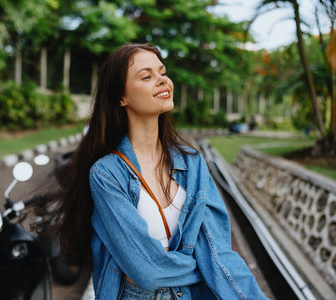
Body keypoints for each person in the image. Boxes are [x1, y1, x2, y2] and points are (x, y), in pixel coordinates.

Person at [52, 43, 268, 299]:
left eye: (163, 73)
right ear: (121, 97)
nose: (162, 81)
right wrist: (203, 263)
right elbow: (147, 270)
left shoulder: (193, 163)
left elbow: (219, 254)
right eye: (147, 76)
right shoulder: (107, 174)